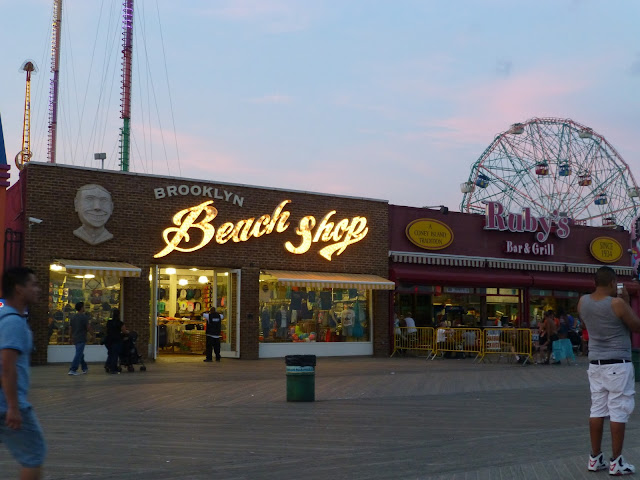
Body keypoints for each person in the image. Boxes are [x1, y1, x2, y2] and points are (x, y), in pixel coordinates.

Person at [578, 266, 640, 475]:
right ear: (613, 282)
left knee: (597, 409)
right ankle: (617, 461)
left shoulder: (582, 301)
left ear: (595, 282)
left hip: (596, 364)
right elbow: (635, 325)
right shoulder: (617, 303)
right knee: (618, 410)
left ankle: (594, 458)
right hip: (618, 364)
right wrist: (625, 301)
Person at [0, 267, 47, 479]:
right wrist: (13, 407)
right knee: (33, 456)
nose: (38, 289)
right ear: (19, 289)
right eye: (33, 284)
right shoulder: (13, 322)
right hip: (6, 405)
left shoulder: (3, 317)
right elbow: (7, 366)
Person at [68, 302, 91, 376]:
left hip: (75, 338)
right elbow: (88, 327)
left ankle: (84, 367)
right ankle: (73, 369)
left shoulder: (73, 317)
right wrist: (93, 335)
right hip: (81, 337)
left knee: (80, 353)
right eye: (83, 307)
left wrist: (70, 337)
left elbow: (70, 329)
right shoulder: (84, 317)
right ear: (81, 308)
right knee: (78, 354)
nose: (84, 308)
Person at [104, 309, 126, 374]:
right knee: (115, 354)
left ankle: (108, 364)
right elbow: (124, 331)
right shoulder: (120, 323)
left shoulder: (109, 322)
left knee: (111, 353)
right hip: (116, 340)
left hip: (109, 340)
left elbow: (106, 330)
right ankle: (113, 369)